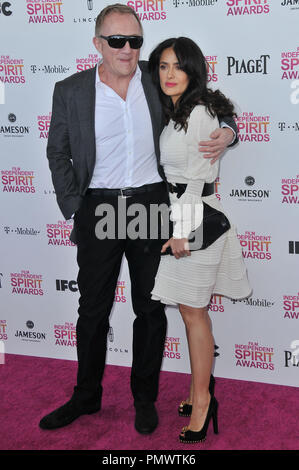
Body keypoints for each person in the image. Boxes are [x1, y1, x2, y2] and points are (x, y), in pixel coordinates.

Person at [39, 4, 239, 435]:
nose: (127, 49)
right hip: (99, 207)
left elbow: (203, 96)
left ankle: (144, 398)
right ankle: (86, 395)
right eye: (117, 41)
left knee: (149, 308)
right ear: (98, 44)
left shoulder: (155, 77)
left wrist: (227, 128)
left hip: (151, 204)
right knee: (93, 308)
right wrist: (75, 206)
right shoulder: (70, 90)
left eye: (135, 40)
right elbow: (58, 152)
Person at [149, 37, 252, 443]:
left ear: (193, 70)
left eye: (178, 66)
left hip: (196, 221)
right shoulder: (176, 110)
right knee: (193, 313)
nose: (169, 74)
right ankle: (199, 392)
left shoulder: (203, 113)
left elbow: (197, 177)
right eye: (163, 66)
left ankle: (204, 401)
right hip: (176, 214)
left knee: (193, 314)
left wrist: (181, 232)